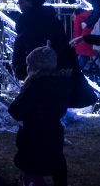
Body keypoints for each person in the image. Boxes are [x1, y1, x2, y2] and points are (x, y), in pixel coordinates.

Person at [8, 43, 71, 186]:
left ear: (35, 67)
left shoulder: (34, 86)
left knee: (32, 165)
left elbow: (15, 110)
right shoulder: (61, 83)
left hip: (34, 134)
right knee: (56, 160)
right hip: (54, 131)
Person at [11, 0, 77, 80]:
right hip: (60, 84)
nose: (18, 3)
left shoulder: (28, 26)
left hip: (40, 85)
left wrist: (21, 70)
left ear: (28, 0)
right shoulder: (53, 22)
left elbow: (21, 68)